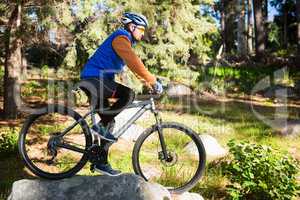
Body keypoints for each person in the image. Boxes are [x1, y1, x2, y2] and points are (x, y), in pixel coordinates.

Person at [79, 12, 163, 176]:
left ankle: (100, 162)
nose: (143, 33)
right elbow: (134, 62)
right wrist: (151, 81)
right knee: (128, 95)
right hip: (93, 79)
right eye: (141, 29)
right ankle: (99, 127)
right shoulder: (121, 37)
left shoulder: (125, 41)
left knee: (108, 123)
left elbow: (131, 67)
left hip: (96, 80)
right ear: (131, 27)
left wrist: (149, 81)